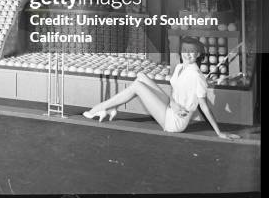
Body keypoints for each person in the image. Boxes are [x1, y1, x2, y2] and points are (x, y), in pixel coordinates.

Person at [83, 37, 240, 139]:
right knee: (141, 76)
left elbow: (204, 107)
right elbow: (175, 93)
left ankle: (100, 107)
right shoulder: (179, 67)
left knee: (137, 86)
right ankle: (113, 107)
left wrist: (219, 132)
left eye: (192, 52)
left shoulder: (197, 76)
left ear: (198, 54)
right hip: (171, 107)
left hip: (175, 122)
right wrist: (173, 103)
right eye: (185, 50)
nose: (188, 54)